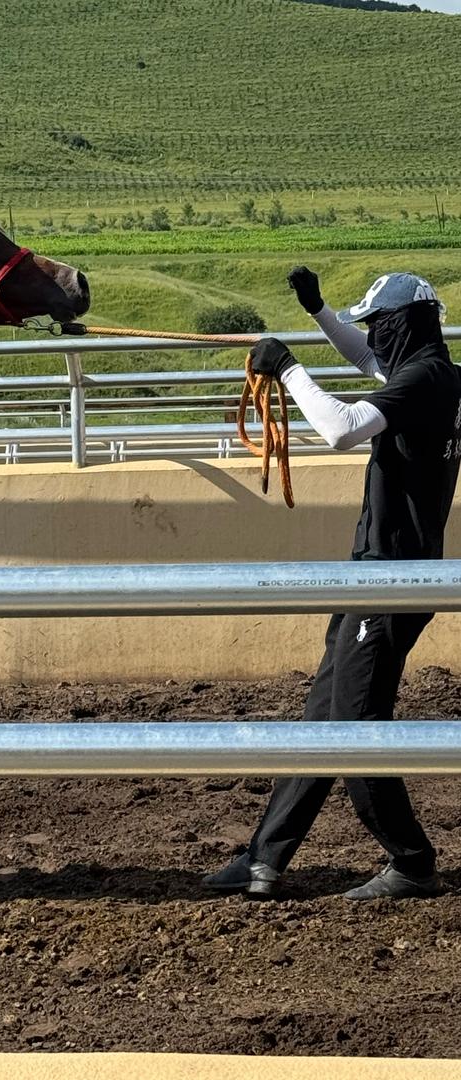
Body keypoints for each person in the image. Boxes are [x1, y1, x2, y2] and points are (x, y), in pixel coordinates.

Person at [204, 267, 461, 901]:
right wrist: (319, 311)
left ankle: (412, 860)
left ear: (402, 324)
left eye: (377, 324)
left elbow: (340, 429)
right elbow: (368, 360)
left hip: (390, 579)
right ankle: (265, 858)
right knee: (324, 712)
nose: (371, 336)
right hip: (380, 570)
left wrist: (289, 369)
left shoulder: (423, 378)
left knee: (351, 720)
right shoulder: (434, 373)